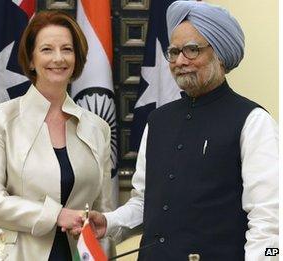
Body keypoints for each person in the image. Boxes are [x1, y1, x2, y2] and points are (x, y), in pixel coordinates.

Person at [85, 1, 278, 260]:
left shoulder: (253, 121)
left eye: (192, 50)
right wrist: (109, 222)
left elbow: (268, 221)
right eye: (174, 52)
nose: (179, 61)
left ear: (219, 54)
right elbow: (145, 203)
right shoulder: (158, 121)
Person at [0, 11, 114, 261]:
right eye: (47, 49)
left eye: (67, 49)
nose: (58, 58)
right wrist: (56, 215)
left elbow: (102, 208)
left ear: (77, 58)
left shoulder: (97, 128)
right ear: (30, 60)